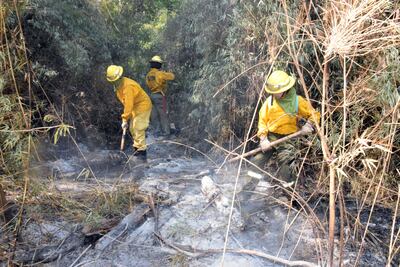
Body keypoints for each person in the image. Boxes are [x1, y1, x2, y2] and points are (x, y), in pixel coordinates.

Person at [239, 70, 320, 201]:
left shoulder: (297, 101)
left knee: (287, 169)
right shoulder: (269, 102)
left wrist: (308, 125)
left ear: (285, 88)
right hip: (271, 137)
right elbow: (262, 121)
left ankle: (289, 197)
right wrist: (263, 139)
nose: (274, 94)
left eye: (276, 91)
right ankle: (246, 192)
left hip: (289, 139)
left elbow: (314, 114)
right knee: (256, 162)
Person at [106, 65, 152, 160]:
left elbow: (128, 104)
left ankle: (141, 153)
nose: (114, 82)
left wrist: (125, 118)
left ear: (120, 77)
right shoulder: (119, 86)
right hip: (135, 106)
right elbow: (126, 103)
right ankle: (137, 149)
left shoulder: (128, 87)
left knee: (138, 127)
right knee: (132, 128)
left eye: (116, 80)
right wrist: (127, 119)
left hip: (143, 105)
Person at [145, 55, 175, 136]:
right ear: (159, 65)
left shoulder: (148, 75)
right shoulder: (160, 74)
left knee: (154, 115)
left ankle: (157, 132)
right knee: (163, 114)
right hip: (160, 95)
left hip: (151, 95)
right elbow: (172, 77)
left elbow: (147, 84)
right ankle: (166, 132)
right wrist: (167, 72)